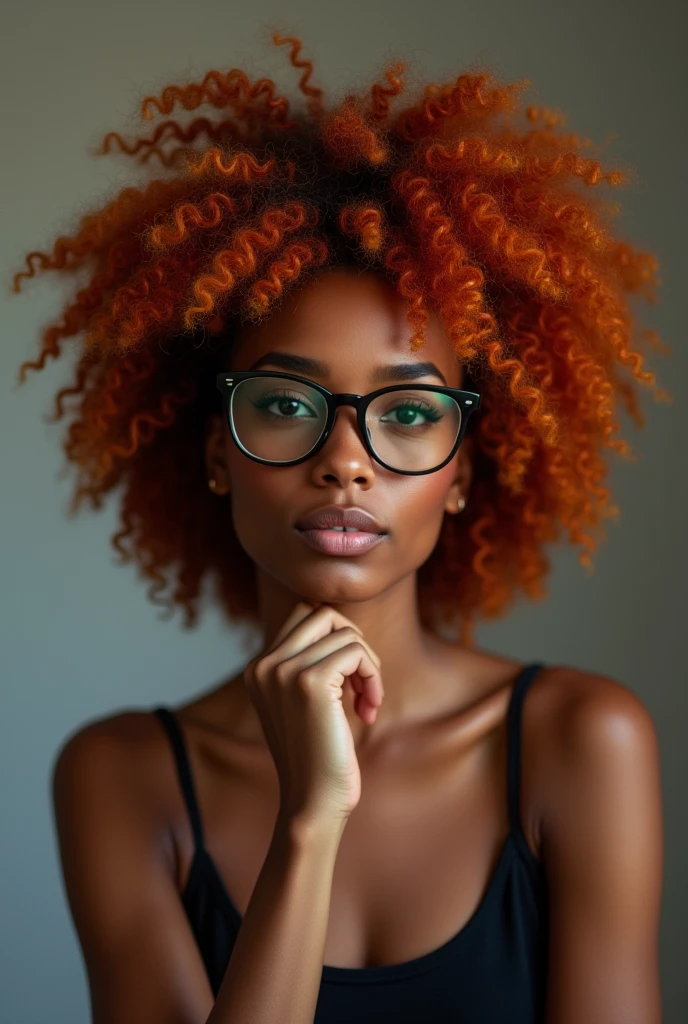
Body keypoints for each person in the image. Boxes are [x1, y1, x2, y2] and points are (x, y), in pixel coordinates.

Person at [14, 32, 666, 1024]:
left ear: (459, 473)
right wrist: (310, 825)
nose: (345, 459)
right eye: (283, 403)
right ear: (215, 451)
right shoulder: (123, 777)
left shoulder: (583, 742)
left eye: (407, 414)